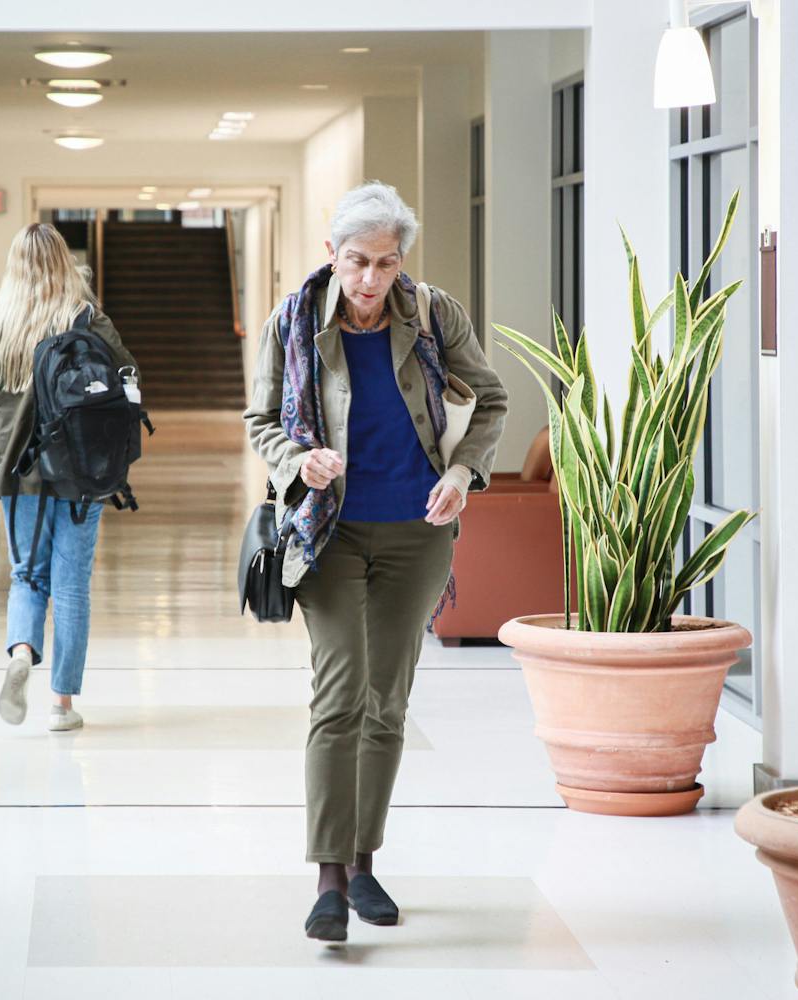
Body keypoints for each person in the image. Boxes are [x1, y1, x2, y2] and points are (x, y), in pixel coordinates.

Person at [244, 182, 508, 941]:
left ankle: (364, 864)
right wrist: (299, 459)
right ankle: (327, 877)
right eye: (357, 261)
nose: (369, 279)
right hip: (327, 532)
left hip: (417, 534)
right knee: (339, 697)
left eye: (386, 263)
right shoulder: (293, 319)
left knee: (387, 701)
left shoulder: (432, 314)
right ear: (331, 253)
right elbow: (261, 418)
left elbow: (489, 400)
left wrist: (462, 475)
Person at [0, 223, 138, 733]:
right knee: (72, 586)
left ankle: (21, 651)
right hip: (82, 468)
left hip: (17, 471)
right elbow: (128, 378)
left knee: (27, 575)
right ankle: (61, 704)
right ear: (65, 261)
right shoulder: (87, 318)